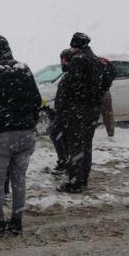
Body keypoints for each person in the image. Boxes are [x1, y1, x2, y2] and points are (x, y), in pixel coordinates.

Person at [0, 36, 41, 237]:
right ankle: (17, 222)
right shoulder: (25, 69)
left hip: (1, 134)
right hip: (26, 133)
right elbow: (37, 100)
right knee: (19, 178)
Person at [55, 32, 104, 194]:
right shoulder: (96, 60)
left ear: (76, 45)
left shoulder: (79, 60)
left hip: (79, 110)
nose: (71, 49)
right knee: (87, 145)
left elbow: (72, 85)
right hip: (92, 110)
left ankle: (74, 182)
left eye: (72, 45)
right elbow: (106, 79)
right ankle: (83, 178)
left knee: (75, 145)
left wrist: (68, 103)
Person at [48, 49, 72, 176]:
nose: (61, 62)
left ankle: (64, 162)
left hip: (65, 113)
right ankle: (66, 161)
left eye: (62, 59)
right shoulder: (69, 74)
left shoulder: (70, 75)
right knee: (61, 135)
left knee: (54, 133)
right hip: (64, 112)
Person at [99, 56, 116, 137]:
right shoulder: (103, 60)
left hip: (98, 91)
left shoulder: (88, 61)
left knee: (106, 114)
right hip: (105, 91)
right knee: (108, 114)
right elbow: (113, 72)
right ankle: (111, 134)